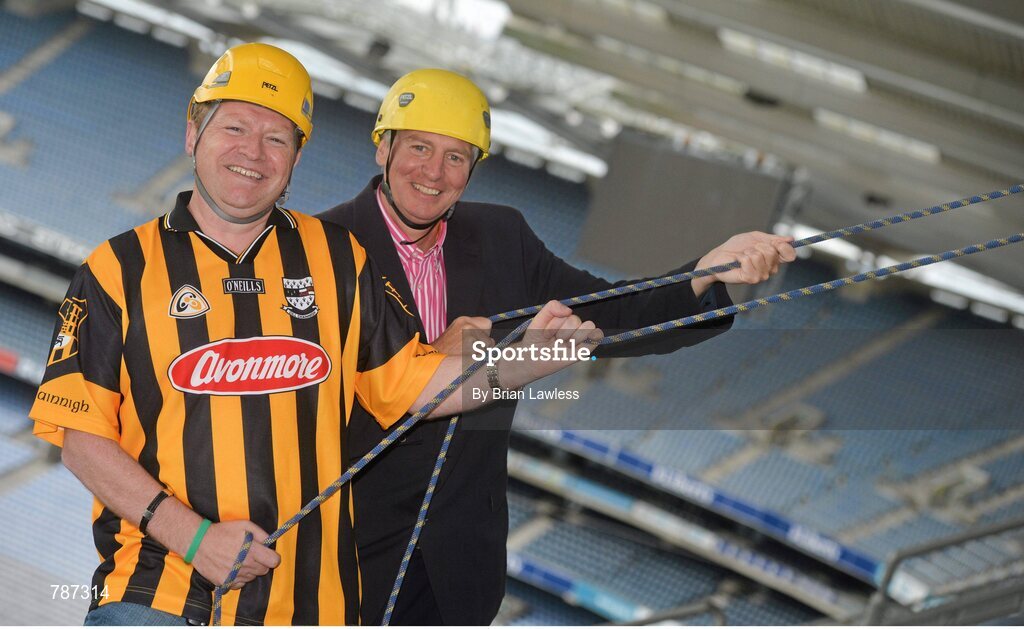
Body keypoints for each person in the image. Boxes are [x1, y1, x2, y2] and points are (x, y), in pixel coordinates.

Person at [28, 46, 598, 626]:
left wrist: (528, 360)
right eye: (234, 127)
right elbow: (80, 437)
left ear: (297, 158)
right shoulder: (115, 269)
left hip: (312, 611)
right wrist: (195, 538)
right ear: (192, 134)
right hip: (159, 599)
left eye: (278, 138)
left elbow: (413, 386)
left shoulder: (338, 258)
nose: (253, 151)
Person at [318, 68, 797, 625]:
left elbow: (612, 313)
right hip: (345, 556)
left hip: (458, 568)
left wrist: (708, 271)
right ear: (383, 147)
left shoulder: (502, 237)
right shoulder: (319, 249)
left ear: (474, 169)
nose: (434, 171)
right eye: (419, 147)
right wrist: (437, 359)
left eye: (457, 157)